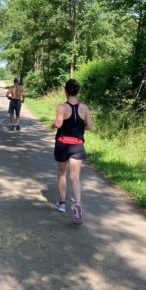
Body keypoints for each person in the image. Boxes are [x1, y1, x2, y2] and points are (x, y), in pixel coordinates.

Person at [51, 79, 93, 225]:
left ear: (65, 91)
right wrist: (79, 126)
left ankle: (62, 204)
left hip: (63, 144)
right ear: (77, 91)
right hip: (77, 145)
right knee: (75, 178)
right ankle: (78, 205)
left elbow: (58, 124)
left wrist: (52, 125)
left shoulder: (62, 107)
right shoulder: (85, 108)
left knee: (62, 173)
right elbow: (90, 126)